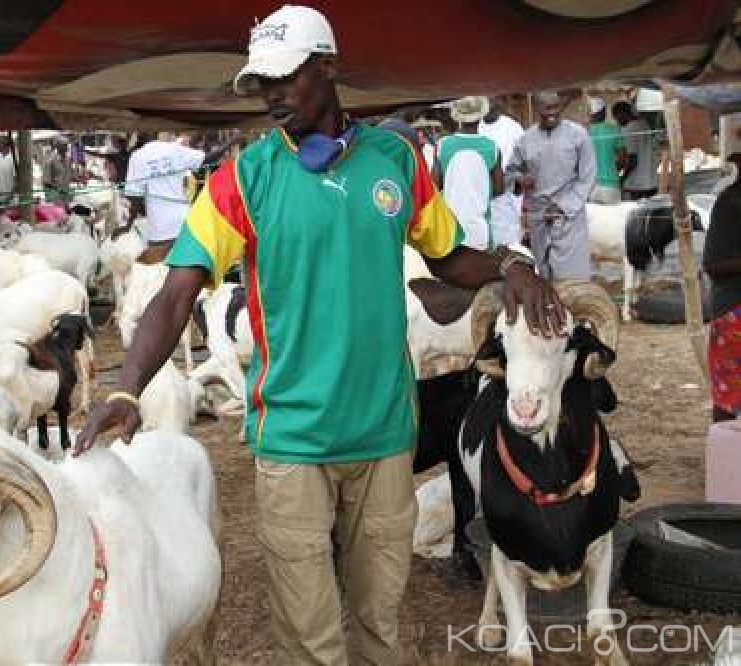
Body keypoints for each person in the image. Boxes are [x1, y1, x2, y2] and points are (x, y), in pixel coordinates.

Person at [75, 6, 565, 665]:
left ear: (328, 67)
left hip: (386, 437)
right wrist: (128, 387)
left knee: (380, 628)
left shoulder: (396, 160)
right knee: (311, 642)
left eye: (287, 76)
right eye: (262, 82)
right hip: (293, 444)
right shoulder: (243, 180)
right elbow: (175, 293)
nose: (273, 94)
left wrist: (512, 265)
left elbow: (450, 256)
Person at [507, 91, 597, 281]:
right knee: (543, 275)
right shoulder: (525, 140)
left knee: (572, 279)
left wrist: (564, 206)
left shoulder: (578, 134)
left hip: (569, 218)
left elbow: (587, 177)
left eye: (556, 107)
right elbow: (509, 173)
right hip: (539, 217)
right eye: (548, 108)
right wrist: (521, 179)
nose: (553, 112)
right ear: (537, 108)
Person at [432, 96, 503, 250]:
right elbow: (499, 189)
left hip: (449, 230)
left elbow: (434, 186)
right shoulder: (492, 148)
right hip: (480, 230)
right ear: (482, 115)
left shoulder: (442, 145)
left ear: (457, 116)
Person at [123, 131, 205, 260]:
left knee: (161, 273)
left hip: (161, 229)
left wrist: (128, 224)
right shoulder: (174, 149)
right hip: (187, 224)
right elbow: (205, 158)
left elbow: (135, 197)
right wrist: (231, 143)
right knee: (187, 267)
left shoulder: (137, 156)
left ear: (139, 137)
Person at [703, 151, 741, 422]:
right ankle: (725, 461)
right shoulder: (730, 202)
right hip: (734, 313)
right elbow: (713, 265)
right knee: (729, 402)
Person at [479, 95, 526, 247]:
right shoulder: (475, 128)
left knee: (508, 243)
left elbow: (524, 160)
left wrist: (514, 179)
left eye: (491, 100)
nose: (488, 105)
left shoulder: (513, 127)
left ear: (499, 102)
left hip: (508, 194)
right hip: (481, 194)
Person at [613, 100, 658, 200]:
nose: (618, 122)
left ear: (622, 114)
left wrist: (622, 178)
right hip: (652, 182)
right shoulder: (645, 124)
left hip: (636, 186)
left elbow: (633, 160)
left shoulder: (629, 129)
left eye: (617, 118)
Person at [586, 96, 627, 205]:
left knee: (594, 221)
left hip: (591, 186)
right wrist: (611, 170)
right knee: (613, 220)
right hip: (611, 184)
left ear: (590, 114)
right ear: (604, 112)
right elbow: (623, 160)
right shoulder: (615, 130)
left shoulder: (585, 133)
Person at [0, 135, 16, 205]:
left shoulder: (13, 159)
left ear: (4, 144)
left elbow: (17, 181)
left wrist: (10, 197)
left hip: (10, 202)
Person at [43, 140, 72, 204]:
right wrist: (50, 197)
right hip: (55, 195)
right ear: (58, 147)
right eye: (64, 145)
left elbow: (68, 175)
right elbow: (46, 181)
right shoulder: (51, 161)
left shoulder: (68, 160)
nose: (66, 148)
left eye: (66, 146)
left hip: (66, 192)